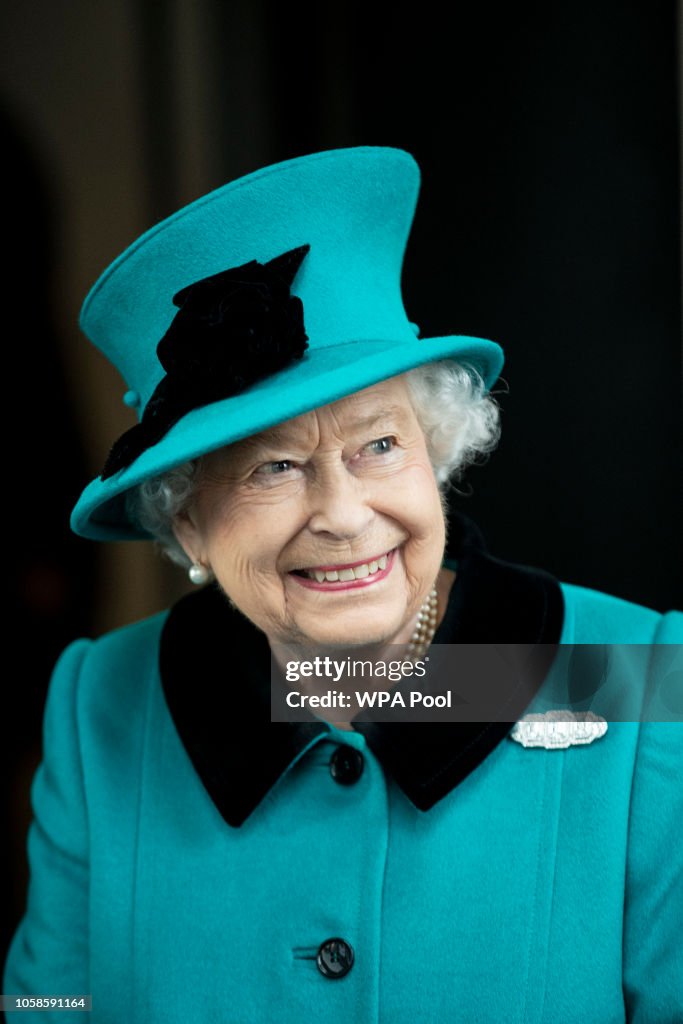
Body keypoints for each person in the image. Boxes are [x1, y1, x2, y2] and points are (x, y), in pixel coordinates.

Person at [3, 145, 681, 1023]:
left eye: (380, 445)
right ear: (187, 521)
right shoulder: (104, 702)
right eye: (272, 468)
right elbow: (50, 1007)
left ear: (436, 449)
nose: (344, 514)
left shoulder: (634, 674)